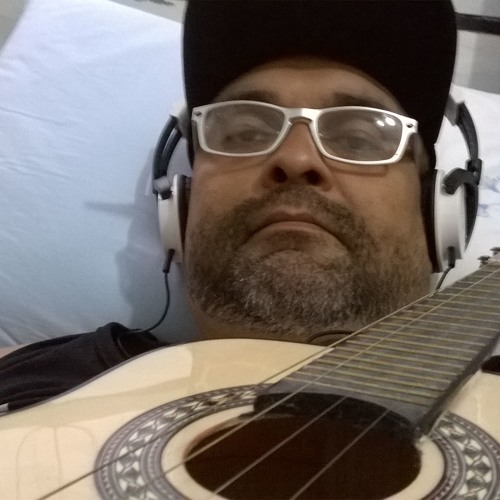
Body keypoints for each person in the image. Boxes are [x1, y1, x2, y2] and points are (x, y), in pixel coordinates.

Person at [0, 0, 459, 413]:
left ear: (435, 217)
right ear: (178, 210)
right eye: (246, 131)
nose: (296, 158)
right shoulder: (41, 376)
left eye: (358, 137)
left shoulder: (488, 403)